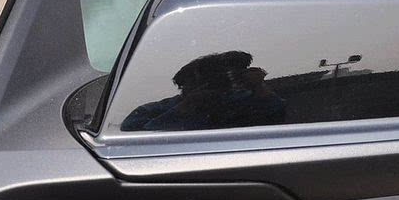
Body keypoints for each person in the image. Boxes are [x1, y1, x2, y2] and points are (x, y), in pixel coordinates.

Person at [121, 50, 286, 131]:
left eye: (220, 81)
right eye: (201, 83)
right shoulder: (151, 110)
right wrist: (184, 109)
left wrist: (258, 88)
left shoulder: (244, 102)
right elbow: (137, 134)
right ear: (184, 86)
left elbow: (279, 115)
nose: (213, 89)